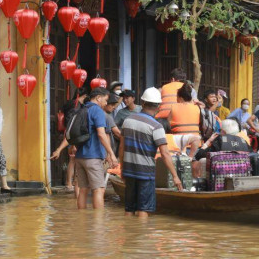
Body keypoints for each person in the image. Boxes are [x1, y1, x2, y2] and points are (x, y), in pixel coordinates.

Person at [120, 87, 182, 217]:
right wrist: (175, 176)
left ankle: (128, 235)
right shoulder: (156, 126)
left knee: (129, 208)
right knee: (144, 208)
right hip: (145, 173)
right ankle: (142, 236)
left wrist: (122, 169)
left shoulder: (128, 120)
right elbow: (165, 154)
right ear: (158, 106)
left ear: (142, 103)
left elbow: (122, 147)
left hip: (129, 170)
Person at [74, 88, 119, 209]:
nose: (105, 103)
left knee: (83, 189)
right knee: (98, 190)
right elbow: (101, 134)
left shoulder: (82, 109)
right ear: (98, 98)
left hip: (79, 156)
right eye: (105, 100)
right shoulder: (97, 111)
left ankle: (81, 221)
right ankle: (98, 225)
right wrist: (111, 154)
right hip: (93, 157)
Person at [51, 88, 88, 194]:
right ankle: (70, 183)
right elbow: (73, 122)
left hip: (68, 133)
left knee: (72, 160)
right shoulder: (76, 106)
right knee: (73, 160)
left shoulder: (69, 104)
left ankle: (70, 183)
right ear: (84, 96)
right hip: (73, 135)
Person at [168, 83, 202, 157]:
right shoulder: (197, 108)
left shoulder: (174, 107)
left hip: (179, 146)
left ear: (180, 97)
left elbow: (168, 125)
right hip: (195, 146)